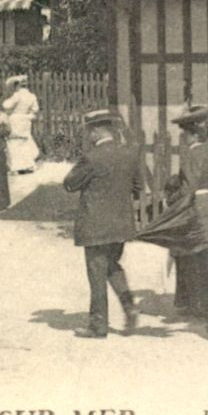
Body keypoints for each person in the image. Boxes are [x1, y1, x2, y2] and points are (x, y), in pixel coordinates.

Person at [61, 109, 143, 338]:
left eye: (89, 132)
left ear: (96, 131)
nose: (88, 136)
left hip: (95, 223)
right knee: (112, 266)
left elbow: (70, 184)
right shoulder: (128, 153)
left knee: (97, 272)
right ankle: (130, 307)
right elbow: (137, 187)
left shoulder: (92, 157)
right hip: (120, 223)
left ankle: (98, 325)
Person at [138, 105, 208, 317]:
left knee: (188, 253)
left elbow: (189, 188)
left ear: (192, 134)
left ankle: (195, 304)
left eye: (185, 133)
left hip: (193, 206)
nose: (184, 138)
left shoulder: (191, 155)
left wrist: (174, 205)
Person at [2, 75, 41, 174]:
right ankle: (29, 165)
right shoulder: (32, 96)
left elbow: (6, 105)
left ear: (17, 86)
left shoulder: (17, 95)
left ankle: (15, 167)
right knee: (25, 142)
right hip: (26, 120)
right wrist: (29, 116)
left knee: (13, 143)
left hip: (15, 119)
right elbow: (35, 109)